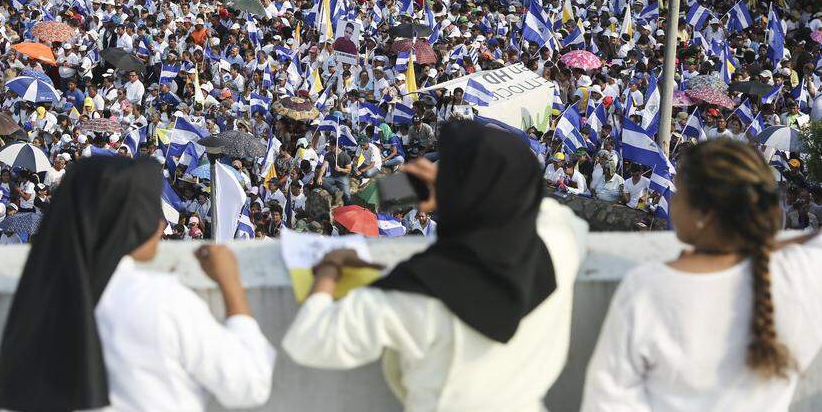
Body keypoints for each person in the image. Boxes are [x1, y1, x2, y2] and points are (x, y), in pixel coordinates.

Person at [282, 121, 588, 411]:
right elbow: (549, 212)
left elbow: (310, 340)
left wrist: (329, 270)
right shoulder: (559, 245)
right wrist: (450, 193)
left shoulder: (418, 293)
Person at [0, 155, 275, 412]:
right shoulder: (162, 300)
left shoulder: (37, 301)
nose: (162, 222)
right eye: (151, 208)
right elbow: (248, 386)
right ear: (130, 221)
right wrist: (231, 284)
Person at [582, 138, 822, 411]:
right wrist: (761, 241)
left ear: (703, 213)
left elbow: (606, 402)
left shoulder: (648, 288)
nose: (671, 198)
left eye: (678, 190)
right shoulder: (799, 274)